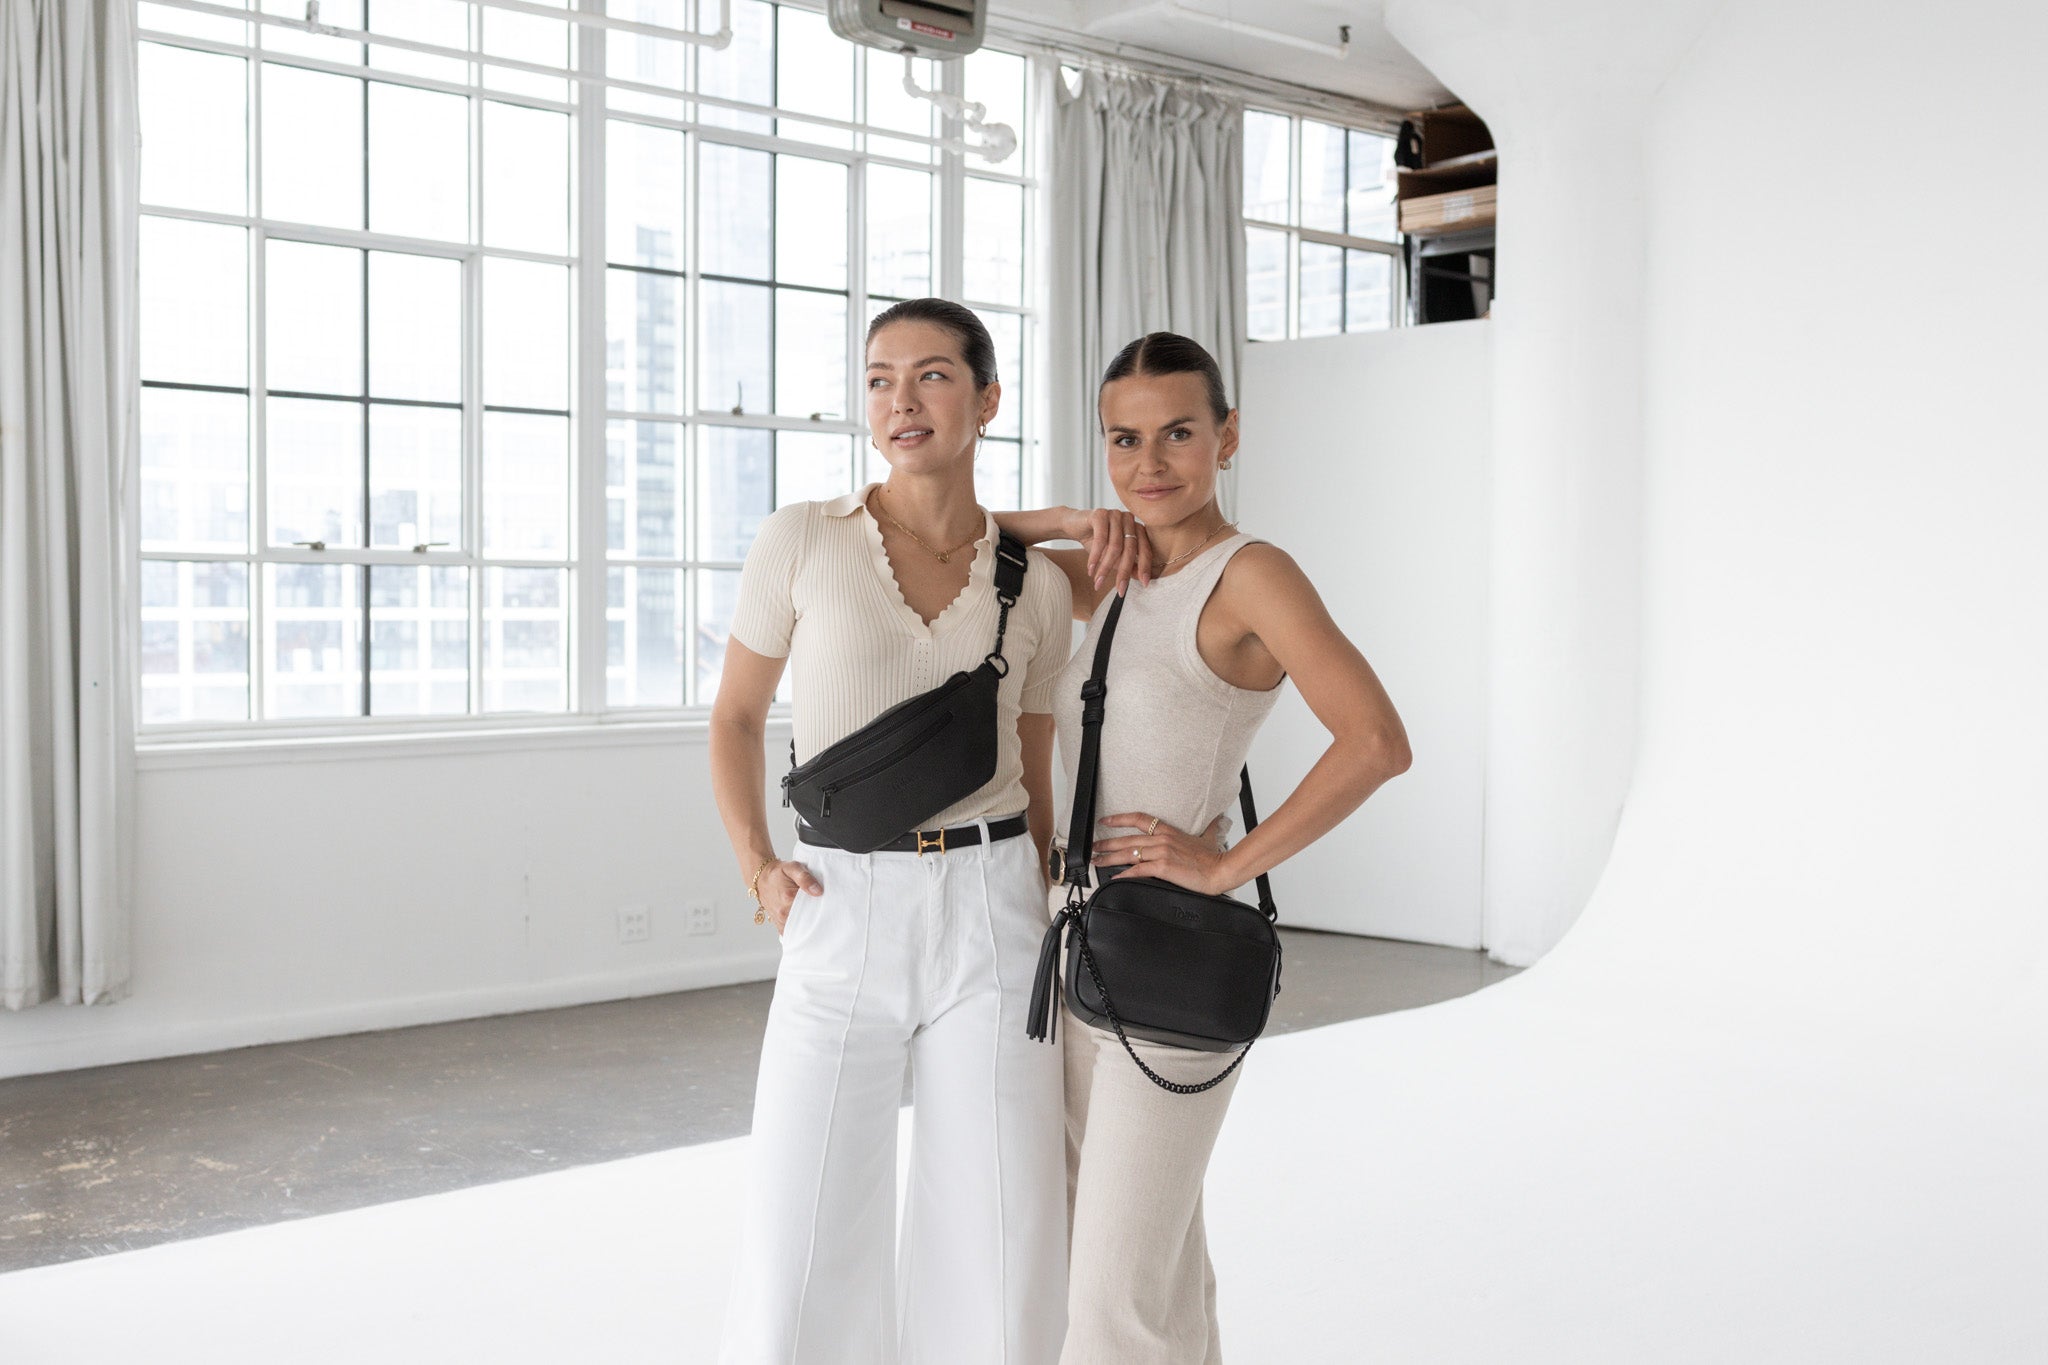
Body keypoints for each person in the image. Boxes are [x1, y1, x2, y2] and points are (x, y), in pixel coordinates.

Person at [992, 331, 1413, 1364]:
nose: (1150, 464)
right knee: (1149, 1264)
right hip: (1067, 942)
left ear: (1226, 436)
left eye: (1178, 433)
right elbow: (945, 540)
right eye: (1122, 441)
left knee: (1113, 1296)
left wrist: (1226, 865)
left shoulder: (1249, 575)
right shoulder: (1106, 573)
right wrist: (1059, 523)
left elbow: (1376, 742)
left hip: (1167, 953)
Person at [708, 299, 1091, 1364]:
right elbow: (735, 719)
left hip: (992, 907)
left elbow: (1031, 748)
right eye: (878, 378)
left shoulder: (1040, 590)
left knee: (1004, 1231)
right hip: (839, 907)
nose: (900, 399)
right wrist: (757, 869)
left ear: (985, 399)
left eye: (930, 375)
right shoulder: (801, 541)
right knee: (801, 1230)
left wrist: (1049, 884)